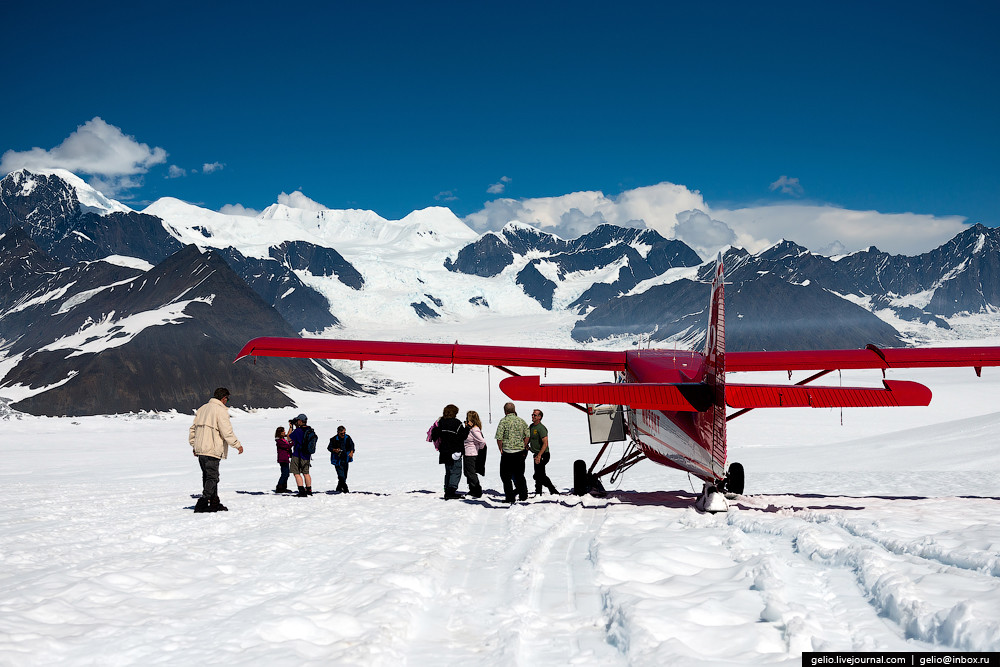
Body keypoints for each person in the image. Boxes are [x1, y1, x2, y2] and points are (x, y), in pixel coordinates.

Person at [189, 387, 244, 512]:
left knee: (207, 476)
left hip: (201, 449)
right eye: (227, 400)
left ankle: (214, 502)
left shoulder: (202, 409)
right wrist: (237, 444)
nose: (227, 402)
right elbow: (226, 431)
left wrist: (195, 445)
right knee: (212, 477)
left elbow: (193, 429)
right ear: (223, 398)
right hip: (212, 449)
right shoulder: (220, 411)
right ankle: (203, 503)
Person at [495, 402, 530, 503]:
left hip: (507, 453)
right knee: (519, 475)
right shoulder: (521, 421)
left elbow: (499, 437)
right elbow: (527, 434)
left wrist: (501, 449)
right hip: (519, 452)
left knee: (505, 476)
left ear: (505, 411)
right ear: (514, 410)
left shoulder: (503, 422)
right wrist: (523, 444)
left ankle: (510, 497)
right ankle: (523, 495)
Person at [431, 404, 467, 499]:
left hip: (444, 450)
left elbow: (434, 435)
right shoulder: (457, 423)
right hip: (454, 451)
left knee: (448, 471)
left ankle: (447, 489)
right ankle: (451, 491)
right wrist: (467, 428)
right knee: (456, 471)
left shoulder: (441, 422)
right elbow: (463, 436)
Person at [528, 408, 558, 495]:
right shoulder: (531, 426)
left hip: (543, 454)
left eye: (535, 415)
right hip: (536, 454)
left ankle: (552, 490)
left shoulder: (541, 428)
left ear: (539, 417)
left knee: (539, 475)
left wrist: (539, 455)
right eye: (532, 415)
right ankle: (539, 492)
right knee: (539, 474)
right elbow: (529, 438)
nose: (533, 416)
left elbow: (545, 443)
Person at [289, 413, 318, 496]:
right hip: (307, 455)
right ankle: (309, 490)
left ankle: (301, 490)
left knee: (296, 473)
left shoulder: (298, 431)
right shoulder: (310, 430)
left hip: (298, 454)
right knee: (306, 473)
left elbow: (289, 437)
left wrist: (291, 427)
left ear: (300, 421)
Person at [462, 410, 487, 498]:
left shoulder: (475, 430)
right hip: (467, 453)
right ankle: (472, 489)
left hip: (472, 454)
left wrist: (478, 449)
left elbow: (482, 441)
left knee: (471, 473)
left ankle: (477, 489)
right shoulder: (470, 429)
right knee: (467, 472)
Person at [327, 425, 355, 493]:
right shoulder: (333, 439)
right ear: (338, 432)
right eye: (341, 433)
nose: (343, 434)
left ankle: (339, 487)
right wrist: (334, 450)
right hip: (337, 460)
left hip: (346, 459)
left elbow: (352, 446)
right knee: (341, 475)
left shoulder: (348, 438)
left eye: (344, 433)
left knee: (344, 475)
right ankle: (345, 489)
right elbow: (329, 448)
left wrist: (351, 452)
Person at [274, 426, 294, 493]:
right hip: (282, 459)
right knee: (284, 473)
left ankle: (283, 487)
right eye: (283, 431)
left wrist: (291, 427)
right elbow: (287, 446)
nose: (284, 432)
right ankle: (279, 487)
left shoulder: (283, 439)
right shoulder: (279, 441)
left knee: (286, 473)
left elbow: (289, 434)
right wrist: (292, 443)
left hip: (285, 458)